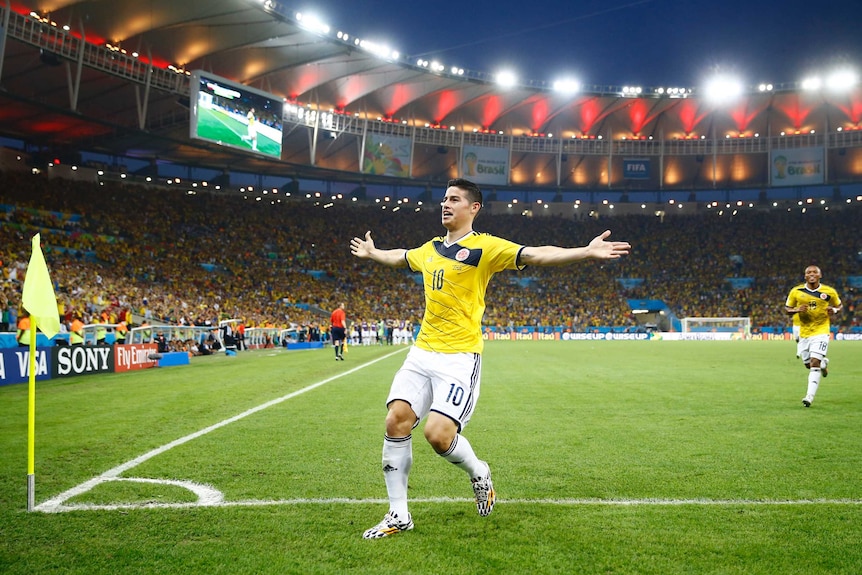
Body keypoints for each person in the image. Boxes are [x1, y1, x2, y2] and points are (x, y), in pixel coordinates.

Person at [350, 178, 631, 539]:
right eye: (444, 199)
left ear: (474, 208)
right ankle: (398, 514)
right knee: (396, 421)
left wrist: (585, 251)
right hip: (421, 352)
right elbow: (400, 256)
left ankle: (479, 472)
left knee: (438, 435)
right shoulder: (430, 249)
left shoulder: (485, 248)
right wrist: (374, 253)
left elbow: (535, 253)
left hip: (459, 357)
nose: (445, 205)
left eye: (454, 199)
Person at [784, 265, 842, 407]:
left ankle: (809, 397)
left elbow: (839, 306)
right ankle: (823, 363)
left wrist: (834, 310)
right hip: (804, 333)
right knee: (808, 364)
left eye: (814, 272)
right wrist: (797, 309)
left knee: (814, 363)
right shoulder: (796, 291)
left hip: (821, 331)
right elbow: (787, 309)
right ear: (805, 276)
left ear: (819, 275)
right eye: (808, 272)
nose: (811, 274)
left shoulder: (829, 292)